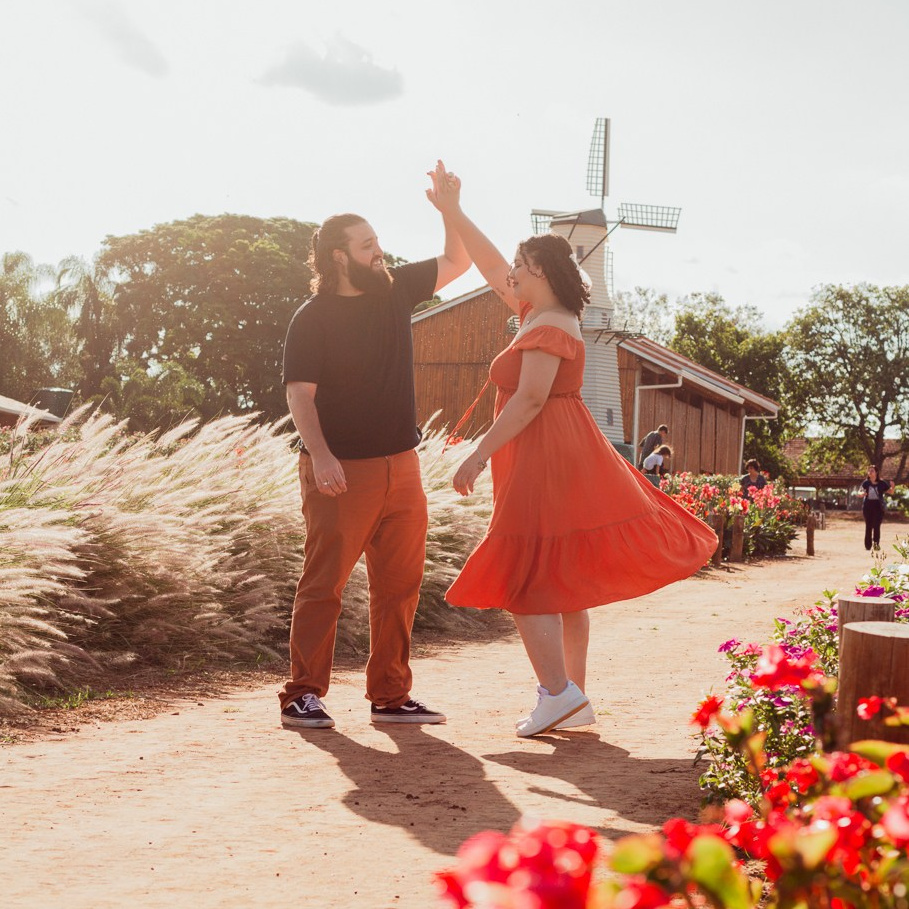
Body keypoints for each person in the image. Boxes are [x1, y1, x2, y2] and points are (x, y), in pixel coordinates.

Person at [427, 163, 717, 738]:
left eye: (517, 267)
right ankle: (572, 697)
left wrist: (477, 454)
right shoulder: (540, 313)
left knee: (528, 576)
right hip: (552, 450)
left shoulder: (549, 324)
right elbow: (486, 264)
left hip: (541, 452)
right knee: (559, 578)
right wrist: (453, 213)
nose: (507, 273)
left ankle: (557, 693)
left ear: (538, 271)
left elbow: (531, 399)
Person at [279, 172, 471, 729]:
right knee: (325, 584)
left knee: (400, 585)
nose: (379, 250)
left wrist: (450, 210)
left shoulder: (395, 289)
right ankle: (302, 693)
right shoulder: (311, 319)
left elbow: (455, 262)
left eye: (377, 241)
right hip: (342, 470)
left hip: (402, 467)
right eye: (367, 245)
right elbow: (300, 394)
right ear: (339, 257)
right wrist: (321, 456)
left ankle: (390, 694)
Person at [859, 465, 893, 552]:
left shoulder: (882, 483)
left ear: (876, 472)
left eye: (872, 470)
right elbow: (860, 491)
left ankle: (876, 545)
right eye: (869, 471)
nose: (870, 472)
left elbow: (891, 492)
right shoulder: (865, 483)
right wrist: (862, 494)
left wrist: (893, 487)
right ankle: (867, 546)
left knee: (877, 526)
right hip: (868, 506)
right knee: (868, 526)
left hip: (878, 507)